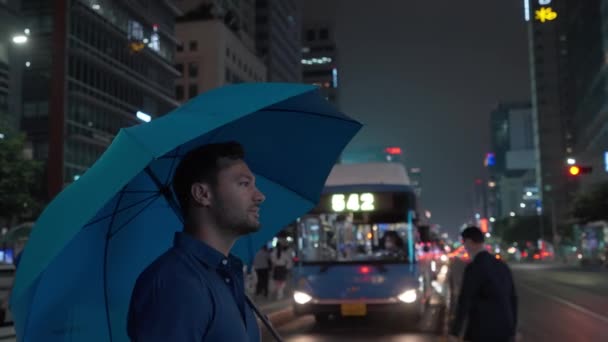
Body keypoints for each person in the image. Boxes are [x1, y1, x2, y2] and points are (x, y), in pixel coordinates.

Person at [127, 141, 266, 341]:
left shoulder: (225, 274)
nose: (260, 196)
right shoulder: (175, 284)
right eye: (244, 184)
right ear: (202, 194)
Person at [449, 226, 518, 342]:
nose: (464, 247)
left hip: (482, 331)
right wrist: (513, 330)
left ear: (469, 242)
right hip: (505, 330)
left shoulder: (474, 267)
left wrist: (455, 332)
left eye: (464, 243)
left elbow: (465, 300)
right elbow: (513, 299)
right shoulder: (502, 265)